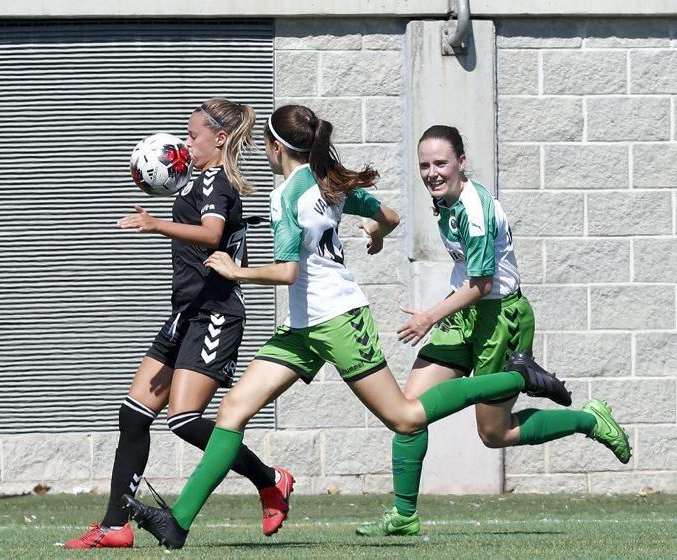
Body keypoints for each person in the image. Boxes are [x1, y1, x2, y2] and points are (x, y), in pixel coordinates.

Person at [120, 105, 573, 550]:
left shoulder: (288, 196)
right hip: (301, 327)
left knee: (406, 416)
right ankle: (177, 524)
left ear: (276, 147)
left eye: (265, 145)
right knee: (232, 411)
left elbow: (287, 273)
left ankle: (520, 376)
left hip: (339, 320)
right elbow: (389, 216)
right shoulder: (328, 179)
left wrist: (237, 272)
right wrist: (376, 232)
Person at [355, 124, 631, 538]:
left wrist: (429, 316)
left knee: (494, 433)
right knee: (407, 414)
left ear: (461, 163)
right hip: (463, 313)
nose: (432, 172)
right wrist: (378, 229)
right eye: (425, 165)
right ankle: (404, 515)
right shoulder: (445, 199)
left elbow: (483, 283)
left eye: (441, 163)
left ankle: (586, 420)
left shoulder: (473, 210)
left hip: (500, 319)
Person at [64, 98, 293, 549]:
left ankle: (270, 479)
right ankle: (114, 527)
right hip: (185, 312)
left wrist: (154, 224)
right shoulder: (196, 180)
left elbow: (211, 233)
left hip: (216, 315)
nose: (185, 143)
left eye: (193, 136)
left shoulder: (218, 182)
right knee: (132, 416)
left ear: (219, 138)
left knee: (184, 420)